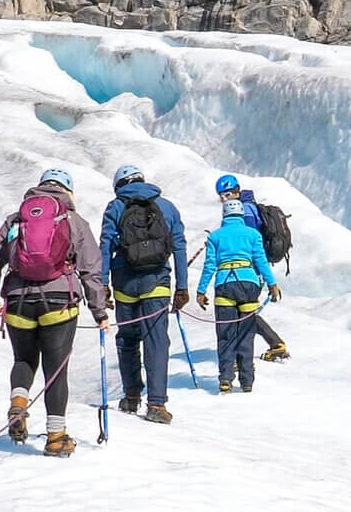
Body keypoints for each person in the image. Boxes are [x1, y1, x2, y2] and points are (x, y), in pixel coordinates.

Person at [0, 167, 108, 457]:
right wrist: (100, 312)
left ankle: (19, 403)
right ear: (68, 191)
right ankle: (56, 437)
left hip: (18, 302)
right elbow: (90, 269)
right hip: (60, 302)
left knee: (23, 359)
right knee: (55, 371)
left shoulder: (16, 219)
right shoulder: (73, 220)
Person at [99, 164, 188, 423]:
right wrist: (182, 287)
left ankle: (131, 395)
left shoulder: (115, 207)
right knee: (157, 340)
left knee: (127, 338)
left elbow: (105, 246)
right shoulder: (167, 206)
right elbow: (179, 246)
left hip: (125, 283)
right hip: (156, 282)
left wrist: (102, 284)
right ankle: (157, 404)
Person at [195, 197, 278, 393]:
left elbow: (209, 266)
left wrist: (201, 290)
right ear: (241, 214)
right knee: (246, 335)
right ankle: (247, 381)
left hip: (225, 284)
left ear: (224, 215)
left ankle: (225, 379)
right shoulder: (253, 235)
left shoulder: (215, 237)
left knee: (226, 335)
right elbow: (261, 261)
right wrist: (272, 284)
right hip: (248, 284)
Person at [232, 182, 293, 362]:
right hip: (254, 271)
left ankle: (269, 347)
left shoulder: (246, 212)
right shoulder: (253, 209)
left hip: (249, 271)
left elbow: (251, 243)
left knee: (242, 312)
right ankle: (275, 344)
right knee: (245, 311)